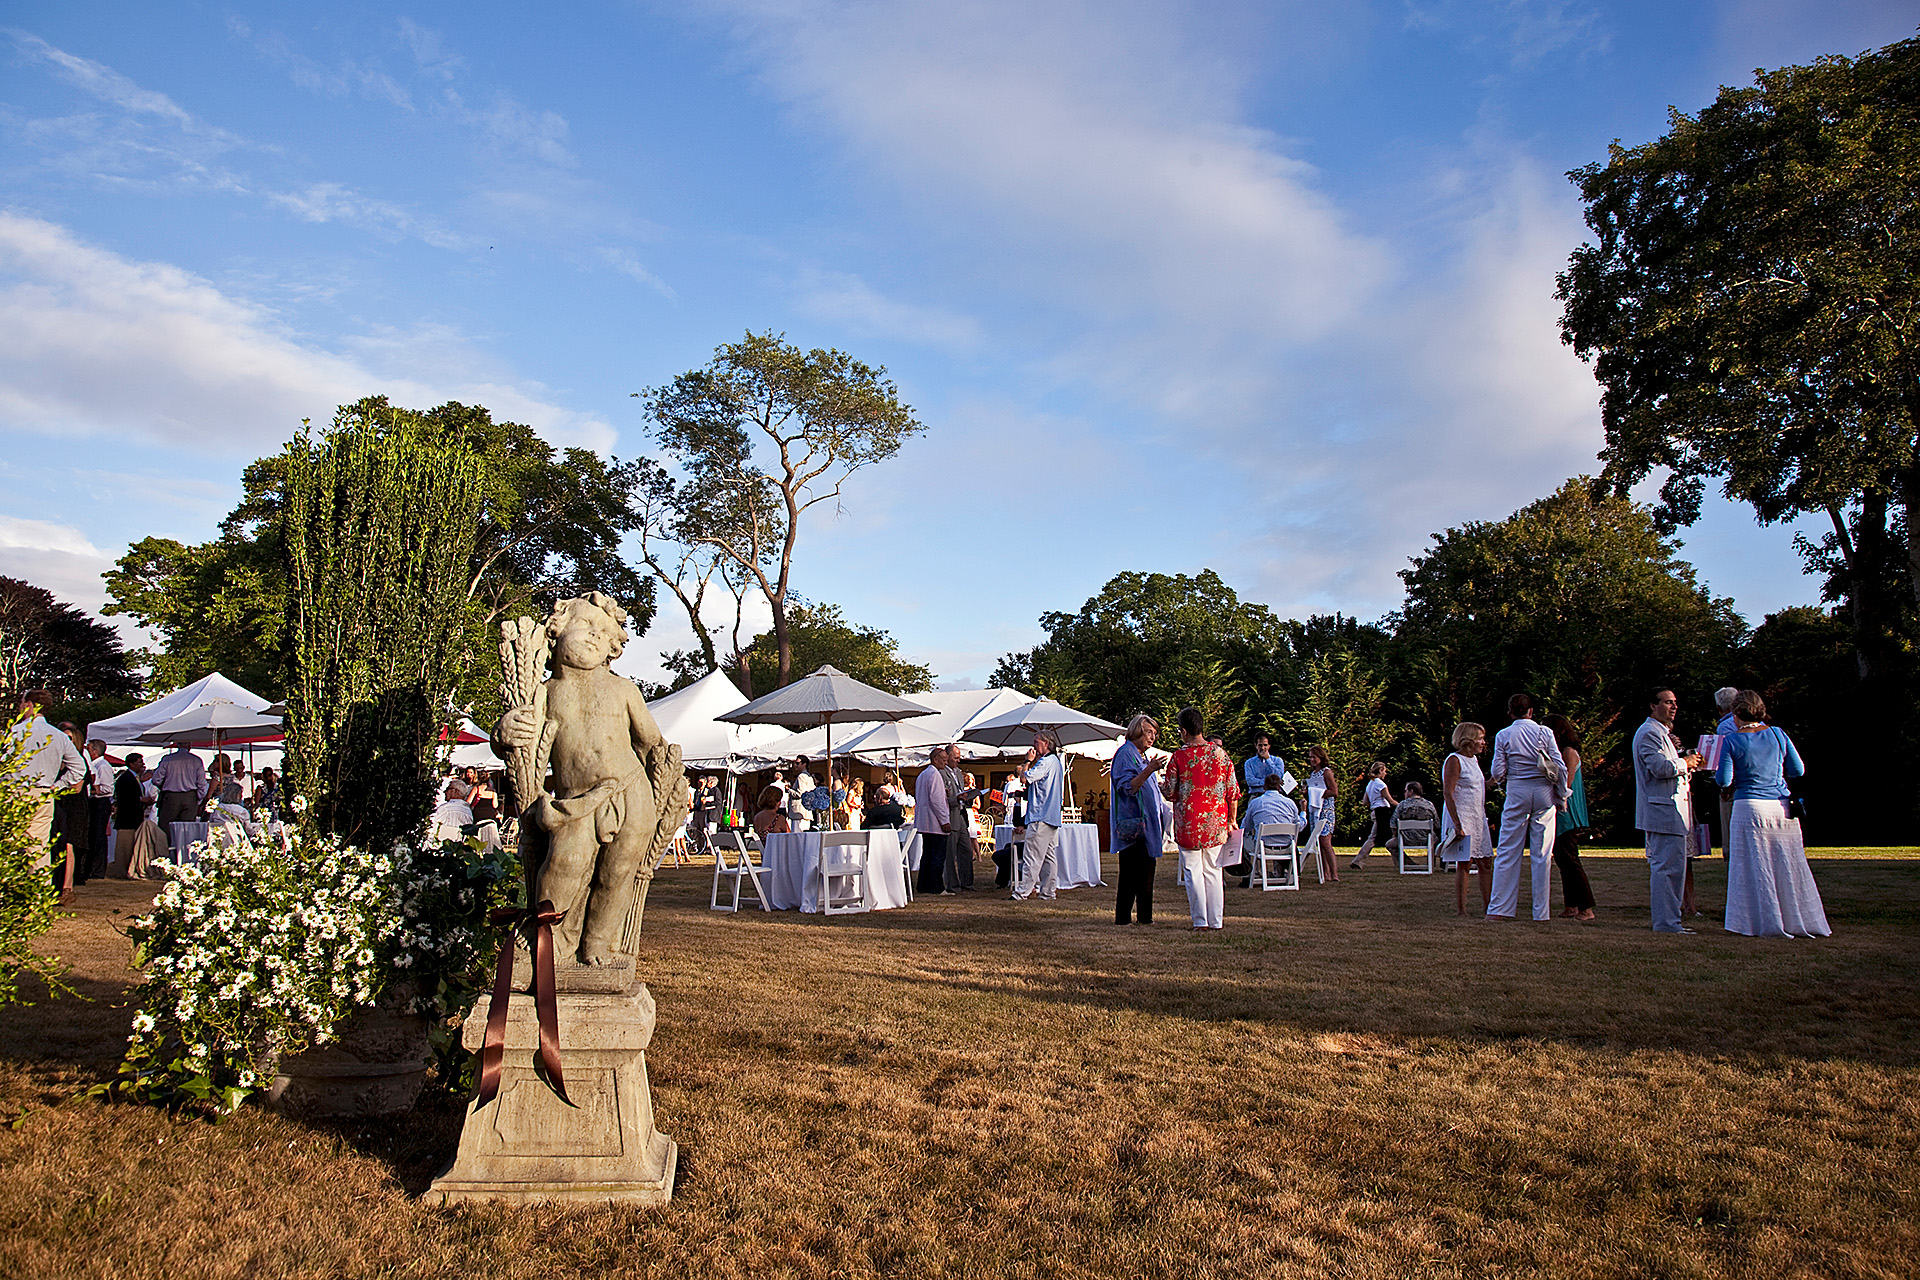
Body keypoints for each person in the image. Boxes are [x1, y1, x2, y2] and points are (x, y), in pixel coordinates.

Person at [1716, 690, 1828, 937]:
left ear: (1736, 714)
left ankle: (1754, 919)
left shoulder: (1732, 741)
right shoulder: (1778, 734)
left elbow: (1724, 780)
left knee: (1753, 866)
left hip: (1749, 806)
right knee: (1788, 863)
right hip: (1780, 806)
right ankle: (1796, 917)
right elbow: (1798, 770)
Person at [1487, 694, 1565, 922]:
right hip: (1543, 790)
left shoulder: (1504, 734)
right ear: (1531, 711)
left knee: (1508, 849)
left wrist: (1504, 779)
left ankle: (1500, 908)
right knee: (1542, 853)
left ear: (1510, 712)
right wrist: (1561, 795)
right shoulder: (1544, 732)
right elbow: (1559, 766)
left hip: (1518, 789)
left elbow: (1498, 772)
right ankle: (1541, 913)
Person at [1634, 687, 1704, 934]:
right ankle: (1666, 922)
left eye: (1675, 702)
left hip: (1671, 809)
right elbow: (1659, 767)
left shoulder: (1661, 733)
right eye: (1667, 702)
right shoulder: (1649, 734)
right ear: (1653, 706)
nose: (1673, 707)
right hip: (1661, 811)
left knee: (1674, 869)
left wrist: (1685, 766)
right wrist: (1685, 762)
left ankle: (1671, 920)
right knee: (1666, 869)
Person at [1166, 707, 1240, 929]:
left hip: (1188, 823)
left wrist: (1162, 786)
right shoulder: (1220, 754)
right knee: (1213, 872)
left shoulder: (1179, 757)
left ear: (1184, 731)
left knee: (1192, 873)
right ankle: (1216, 921)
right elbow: (1233, 792)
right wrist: (1231, 820)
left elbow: (1170, 791)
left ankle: (1200, 921)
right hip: (1215, 823)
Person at [8, 691, 86, 873]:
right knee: (39, 849)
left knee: (10, 846)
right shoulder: (58, 736)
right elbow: (79, 768)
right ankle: (38, 895)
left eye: (21, 702)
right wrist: (56, 786)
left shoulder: (14, 733)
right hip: (43, 794)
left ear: (29, 704)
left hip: (16, 792)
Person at [1110, 714, 1168, 924]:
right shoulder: (1126, 754)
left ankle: (1145, 917)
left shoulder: (1141, 756)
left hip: (1146, 824)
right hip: (1133, 825)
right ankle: (1124, 918)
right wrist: (1150, 770)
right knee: (1131, 874)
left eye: (1154, 733)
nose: (1152, 737)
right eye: (1148, 732)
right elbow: (1127, 787)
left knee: (1146, 872)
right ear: (1136, 731)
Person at [1544, 714, 1596, 920]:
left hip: (1567, 811)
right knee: (1564, 860)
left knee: (1570, 859)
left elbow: (1567, 783)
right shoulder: (1562, 752)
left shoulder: (1568, 752)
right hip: (1562, 809)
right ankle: (1572, 905)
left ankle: (1586, 907)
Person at [1441, 723, 1493, 916]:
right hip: (1462, 817)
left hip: (1478, 816)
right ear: (1469, 739)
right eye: (1480, 739)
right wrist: (1457, 824)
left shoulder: (1474, 761)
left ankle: (1489, 906)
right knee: (1464, 862)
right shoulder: (1454, 760)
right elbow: (1449, 792)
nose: (1483, 743)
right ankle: (1461, 909)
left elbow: (1475, 786)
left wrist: (1493, 782)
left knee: (1485, 861)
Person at [1013, 730, 1065, 902]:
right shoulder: (1056, 762)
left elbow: (1025, 778)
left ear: (1046, 743)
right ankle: (1048, 892)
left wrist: (1027, 761)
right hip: (1051, 816)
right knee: (1049, 857)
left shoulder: (1045, 762)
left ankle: (1022, 892)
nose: (1033, 746)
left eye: (1036, 742)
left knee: (1032, 856)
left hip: (1040, 815)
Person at [1239, 774, 1303, 886]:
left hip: (1264, 847)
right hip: (1286, 847)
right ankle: (1282, 873)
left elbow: (1245, 827)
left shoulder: (1256, 803)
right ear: (1279, 787)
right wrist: (1303, 812)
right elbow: (1299, 825)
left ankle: (1248, 875)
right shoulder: (1290, 803)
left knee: (1242, 840)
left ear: (1264, 787)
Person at [913, 748, 953, 895]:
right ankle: (936, 886)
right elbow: (937, 801)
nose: (946, 762)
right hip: (935, 823)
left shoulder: (923, 774)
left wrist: (943, 792)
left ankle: (923, 885)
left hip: (925, 822)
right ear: (935, 759)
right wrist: (944, 821)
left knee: (927, 855)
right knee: (937, 856)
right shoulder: (935, 775)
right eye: (943, 759)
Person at [940, 747, 979, 891]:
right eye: (955, 758)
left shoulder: (958, 772)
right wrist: (956, 798)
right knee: (950, 852)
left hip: (961, 814)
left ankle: (967, 882)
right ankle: (952, 884)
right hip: (950, 814)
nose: (958, 760)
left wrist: (968, 796)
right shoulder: (941, 773)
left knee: (966, 849)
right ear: (947, 756)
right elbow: (941, 798)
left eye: (959, 757)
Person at [1348, 762, 1398, 868]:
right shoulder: (1381, 784)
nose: (1385, 773)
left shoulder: (1370, 784)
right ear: (1380, 771)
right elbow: (1390, 800)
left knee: (1376, 837)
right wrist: (1403, 805)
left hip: (1375, 811)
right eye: (1384, 771)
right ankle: (1358, 861)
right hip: (1382, 811)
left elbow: (1365, 802)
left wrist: (1374, 804)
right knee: (1382, 838)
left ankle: (1400, 862)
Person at [152, 738, 207, 829]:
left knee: (166, 827)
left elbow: (156, 780)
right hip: (190, 796)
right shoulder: (196, 760)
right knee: (187, 828)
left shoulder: (168, 759)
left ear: (177, 744)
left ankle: (166, 843)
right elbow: (201, 783)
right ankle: (184, 844)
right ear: (190, 746)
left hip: (170, 796)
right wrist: (198, 798)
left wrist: (164, 785)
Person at [1303, 746, 1340, 883]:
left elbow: (1334, 792)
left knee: (1326, 842)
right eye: (1310, 757)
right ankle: (1325, 873)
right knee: (1319, 842)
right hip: (1316, 810)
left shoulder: (1326, 772)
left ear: (1321, 757)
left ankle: (1334, 873)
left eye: (1314, 757)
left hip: (1326, 810)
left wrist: (1318, 793)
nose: (1312, 760)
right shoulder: (1313, 774)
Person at [1390, 781, 1438, 858]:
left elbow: (1393, 824)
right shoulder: (1429, 805)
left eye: (1405, 791)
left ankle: (1406, 864)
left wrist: (1396, 835)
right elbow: (1437, 824)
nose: (1404, 793)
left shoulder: (1402, 805)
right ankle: (1431, 864)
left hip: (1406, 839)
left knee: (1389, 845)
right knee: (1436, 839)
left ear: (1411, 791)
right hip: (1426, 839)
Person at [789, 759, 816, 832]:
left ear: (804, 764)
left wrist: (789, 790)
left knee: (797, 838)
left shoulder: (802, 776)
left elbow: (800, 793)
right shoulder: (809, 777)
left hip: (799, 812)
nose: (795, 765)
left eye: (798, 763)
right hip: (805, 812)